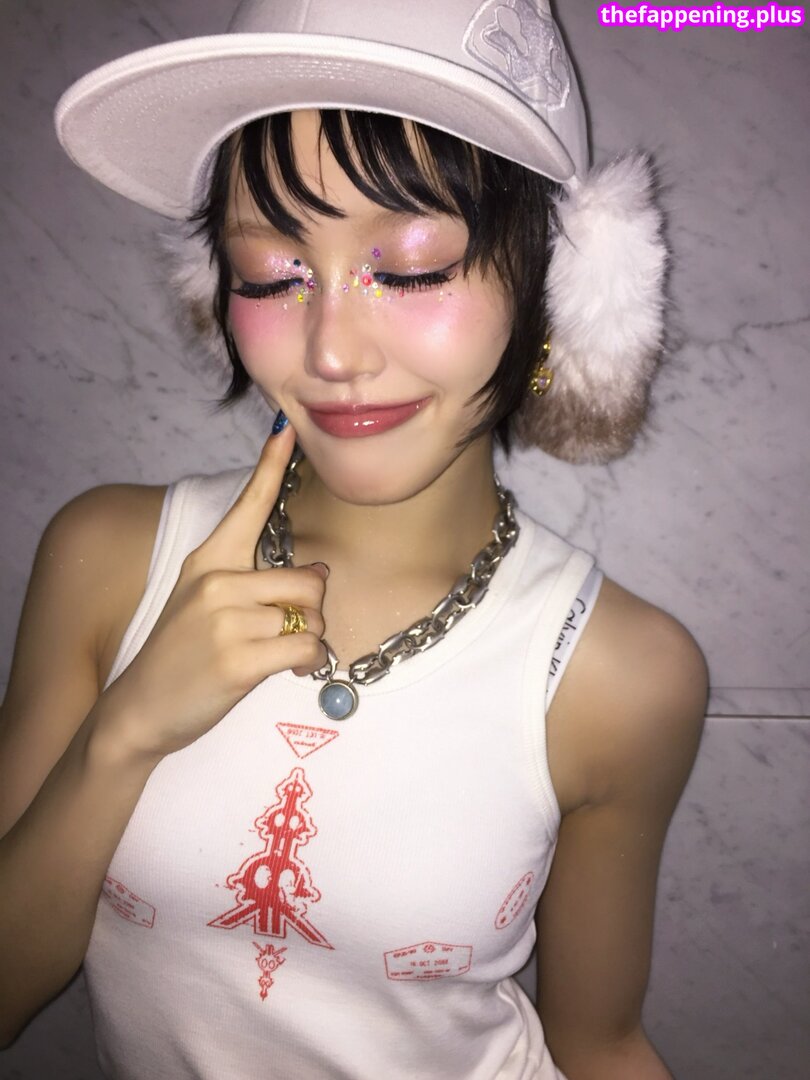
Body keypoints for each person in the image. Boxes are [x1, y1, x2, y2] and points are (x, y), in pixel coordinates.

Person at [0, 1, 708, 1077]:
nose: (333, 352)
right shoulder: (105, 557)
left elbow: (600, 1043)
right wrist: (126, 731)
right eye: (271, 275)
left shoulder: (625, 674)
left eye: (414, 268)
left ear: (557, 287)